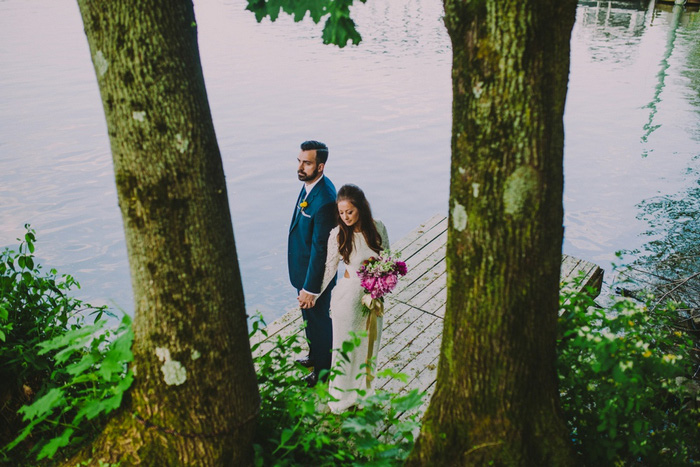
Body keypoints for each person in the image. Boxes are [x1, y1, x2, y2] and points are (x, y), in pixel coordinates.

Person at [317, 184, 390, 413]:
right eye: (341, 213)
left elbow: (387, 257)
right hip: (348, 300)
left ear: (360, 208)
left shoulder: (377, 227)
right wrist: (312, 293)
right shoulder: (338, 235)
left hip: (372, 297)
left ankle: (363, 393)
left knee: (369, 346)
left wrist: (382, 282)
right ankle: (341, 398)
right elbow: (330, 268)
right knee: (345, 349)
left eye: (350, 211)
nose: (345, 217)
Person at [288, 140, 337, 387]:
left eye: (307, 163)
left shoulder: (326, 200)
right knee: (309, 320)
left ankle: (323, 371)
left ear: (320, 166)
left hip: (315, 277)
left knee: (319, 322)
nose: (300, 166)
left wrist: (311, 289)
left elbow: (322, 249)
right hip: (302, 269)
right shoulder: (308, 185)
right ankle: (314, 355)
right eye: (299, 161)